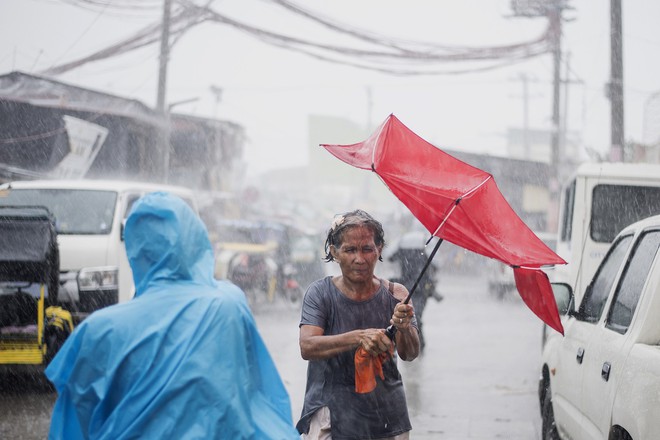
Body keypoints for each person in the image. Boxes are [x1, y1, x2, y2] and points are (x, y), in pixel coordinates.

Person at [45, 192, 300, 440]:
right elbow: (263, 393)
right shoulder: (227, 305)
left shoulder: (98, 331)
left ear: (134, 251)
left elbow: (71, 426)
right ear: (195, 242)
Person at [297, 209, 420, 440]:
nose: (359, 259)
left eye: (367, 249)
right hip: (330, 409)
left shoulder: (397, 295)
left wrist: (403, 328)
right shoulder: (320, 294)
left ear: (379, 249)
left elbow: (411, 354)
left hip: (385, 413)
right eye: (350, 250)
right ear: (334, 252)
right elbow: (307, 346)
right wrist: (359, 337)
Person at [388, 231, 443, 352]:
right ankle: (416, 345)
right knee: (413, 315)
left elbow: (391, 258)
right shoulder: (426, 244)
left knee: (411, 315)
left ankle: (416, 345)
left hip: (410, 287)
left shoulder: (402, 243)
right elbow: (436, 265)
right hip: (416, 288)